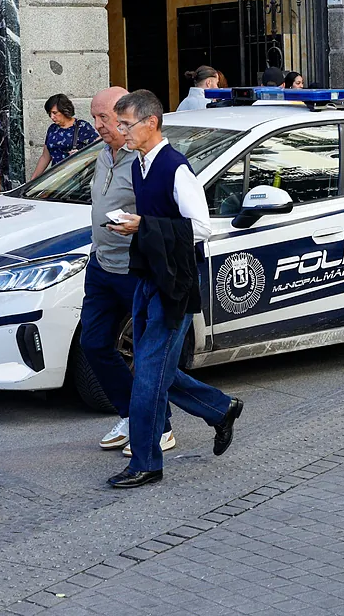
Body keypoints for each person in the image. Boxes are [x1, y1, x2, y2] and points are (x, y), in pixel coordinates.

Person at [104, 89, 242, 488]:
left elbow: (201, 228)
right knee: (156, 368)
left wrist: (141, 225)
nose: (121, 131)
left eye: (126, 124)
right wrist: (135, 222)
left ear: (151, 122)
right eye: (120, 124)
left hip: (174, 283)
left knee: (148, 374)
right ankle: (220, 408)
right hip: (148, 276)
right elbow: (158, 220)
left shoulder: (177, 168)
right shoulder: (138, 165)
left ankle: (146, 462)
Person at [80, 87, 174, 457]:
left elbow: (169, 216)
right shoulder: (103, 155)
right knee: (94, 342)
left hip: (135, 269)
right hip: (101, 264)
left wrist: (141, 227)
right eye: (97, 117)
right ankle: (129, 415)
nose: (99, 125)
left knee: (150, 353)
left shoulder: (145, 160)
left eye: (106, 118)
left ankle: (159, 425)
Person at [32, 93, 98, 178]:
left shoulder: (82, 126)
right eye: (50, 113)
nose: (52, 117)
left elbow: (98, 149)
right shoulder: (52, 129)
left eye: (55, 113)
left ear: (64, 110)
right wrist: (32, 180)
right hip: (58, 179)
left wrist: (81, 155)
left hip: (75, 179)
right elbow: (45, 157)